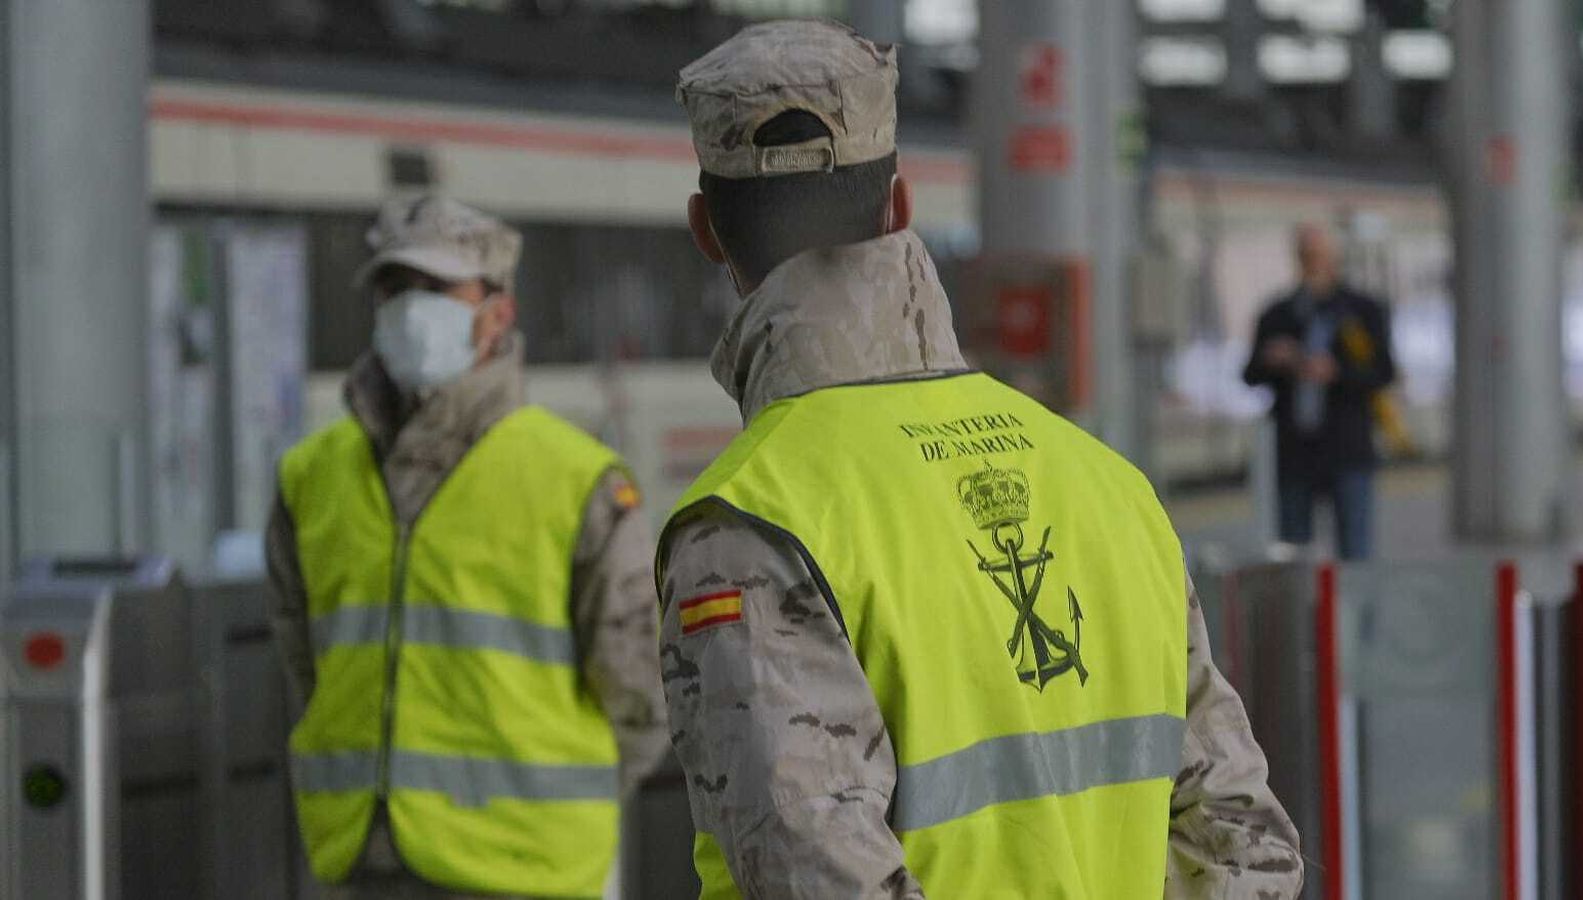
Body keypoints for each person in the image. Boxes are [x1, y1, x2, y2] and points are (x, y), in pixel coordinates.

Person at [655, 20, 1303, 899]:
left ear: (705, 230)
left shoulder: (750, 526)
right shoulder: (1104, 483)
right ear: (901, 207)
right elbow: (1250, 844)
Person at [267, 194, 669, 899]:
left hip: (527, 873)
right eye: (395, 288)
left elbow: (641, 695)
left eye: (436, 289)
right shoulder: (311, 478)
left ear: (498, 313)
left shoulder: (577, 481)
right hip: (360, 861)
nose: (410, 309)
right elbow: (307, 664)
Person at [1243, 223, 1397, 561]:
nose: (1313, 263)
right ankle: (1302, 615)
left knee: (1355, 553)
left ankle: (1356, 615)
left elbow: (1384, 371)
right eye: (1306, 256)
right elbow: (1249, 374)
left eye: (1319, 255)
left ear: (1334, 257)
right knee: (1294, 552)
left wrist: (1336, 372)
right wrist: (1274, 360)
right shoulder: (1279, 314)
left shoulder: (1361, 310)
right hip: (1296, 451)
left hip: (1347, 447)